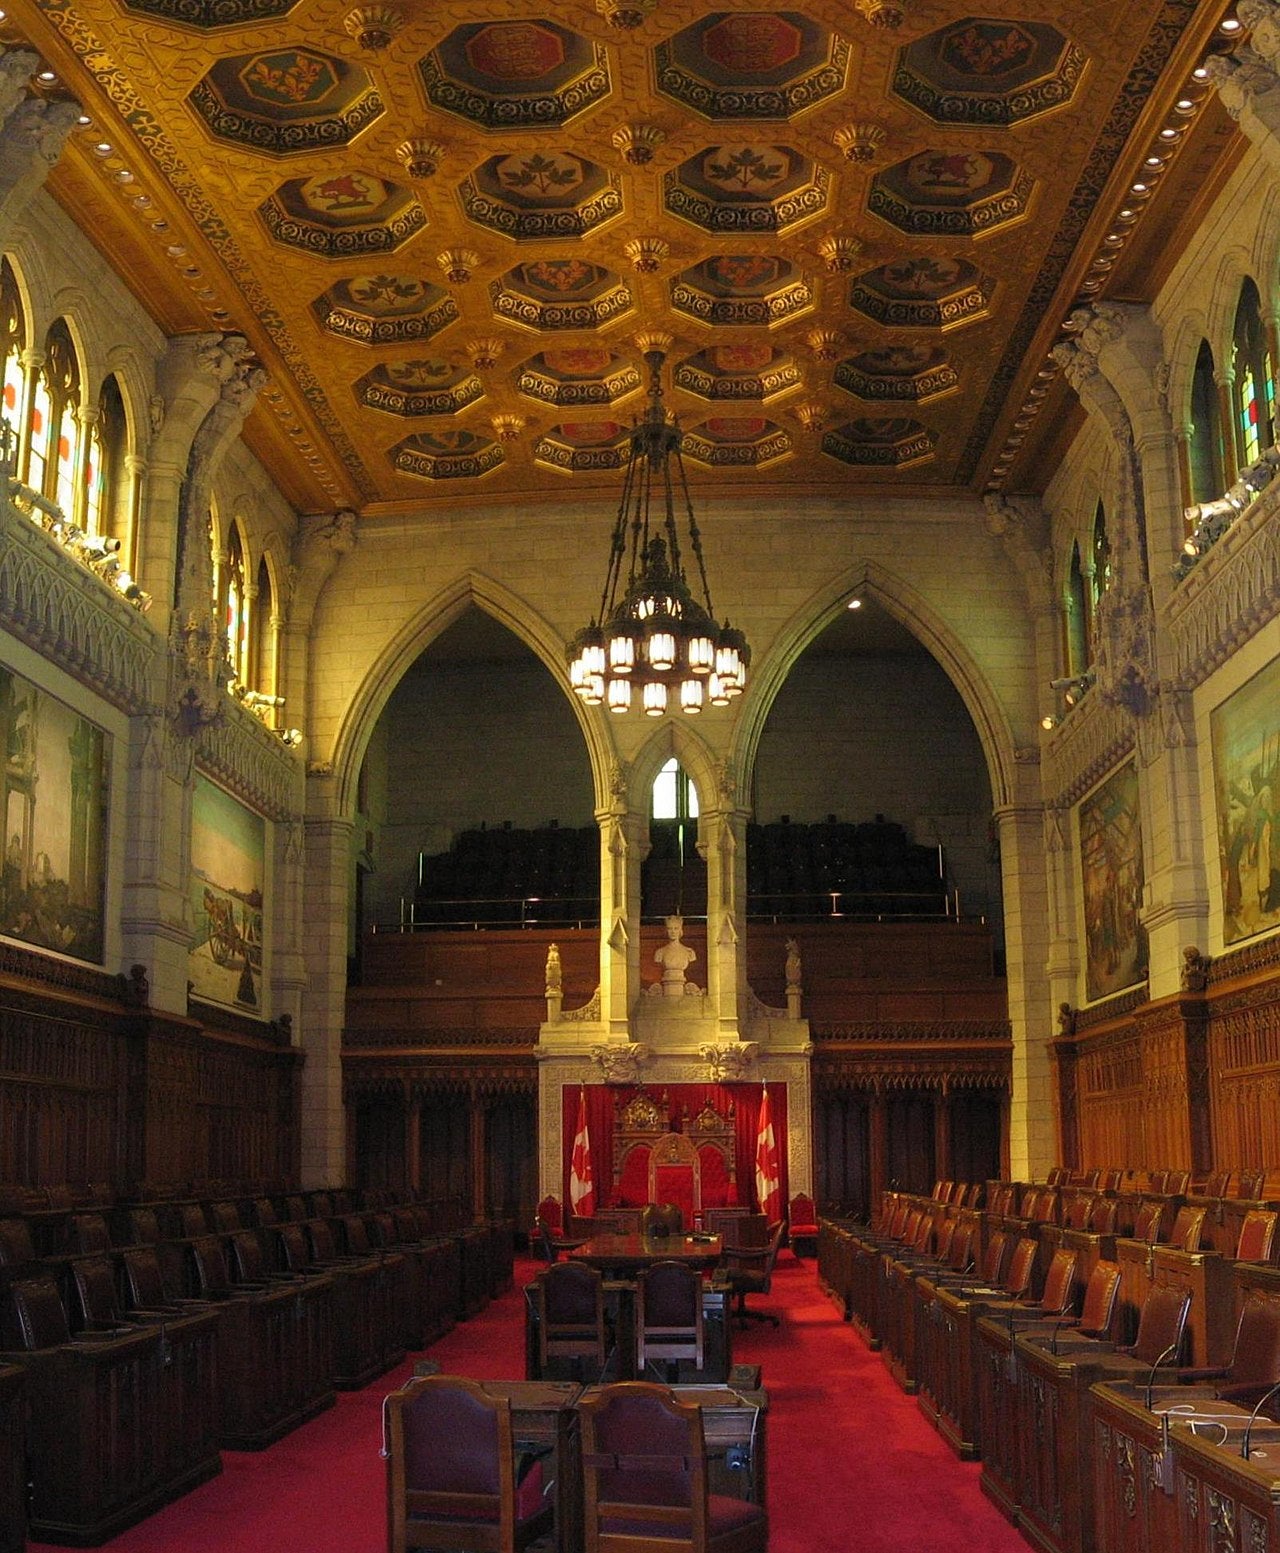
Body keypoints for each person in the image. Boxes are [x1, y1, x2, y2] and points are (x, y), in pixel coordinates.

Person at [654, 914, 696, 995]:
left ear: (680, 930)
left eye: (676, 928)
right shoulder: (660, 952)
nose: (673, 931)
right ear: (666, 931)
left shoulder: (689, 952)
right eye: (670, 928)